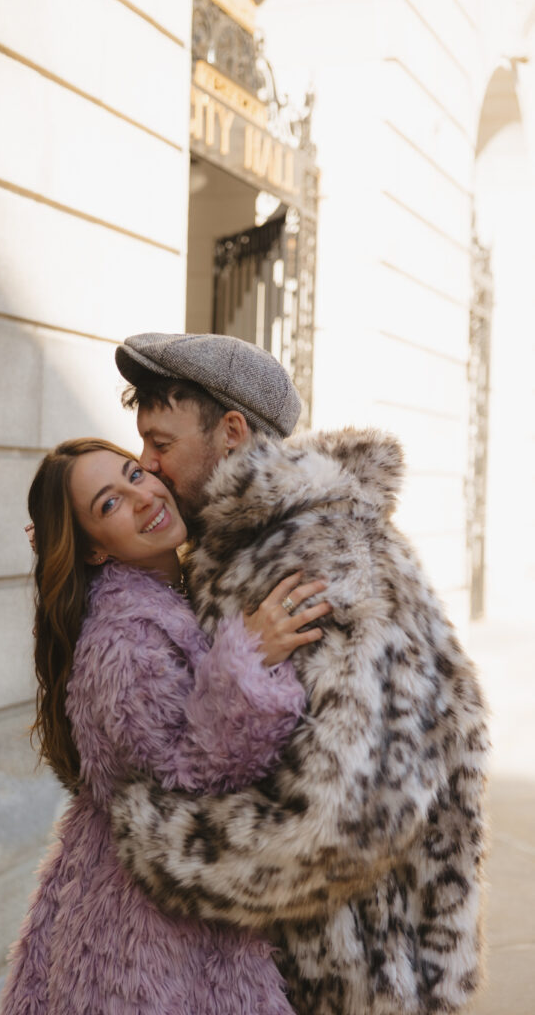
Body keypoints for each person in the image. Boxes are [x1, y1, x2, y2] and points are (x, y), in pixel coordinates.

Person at [109, 333, 490, 1015]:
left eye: (160, 443)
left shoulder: (311, 558)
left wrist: (153, 837)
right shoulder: (251, 546)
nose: (148, 464)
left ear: (229, 432)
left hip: (348, 979)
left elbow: (339, 824)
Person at [0, 436, 333, 1015]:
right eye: (109, 504)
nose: (142, 495)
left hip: (161, 917)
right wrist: (247, 657)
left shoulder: (170, 595)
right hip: (144, 950)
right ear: (94, 551)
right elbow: (187, 780)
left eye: (134, 473)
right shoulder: (123, 641)